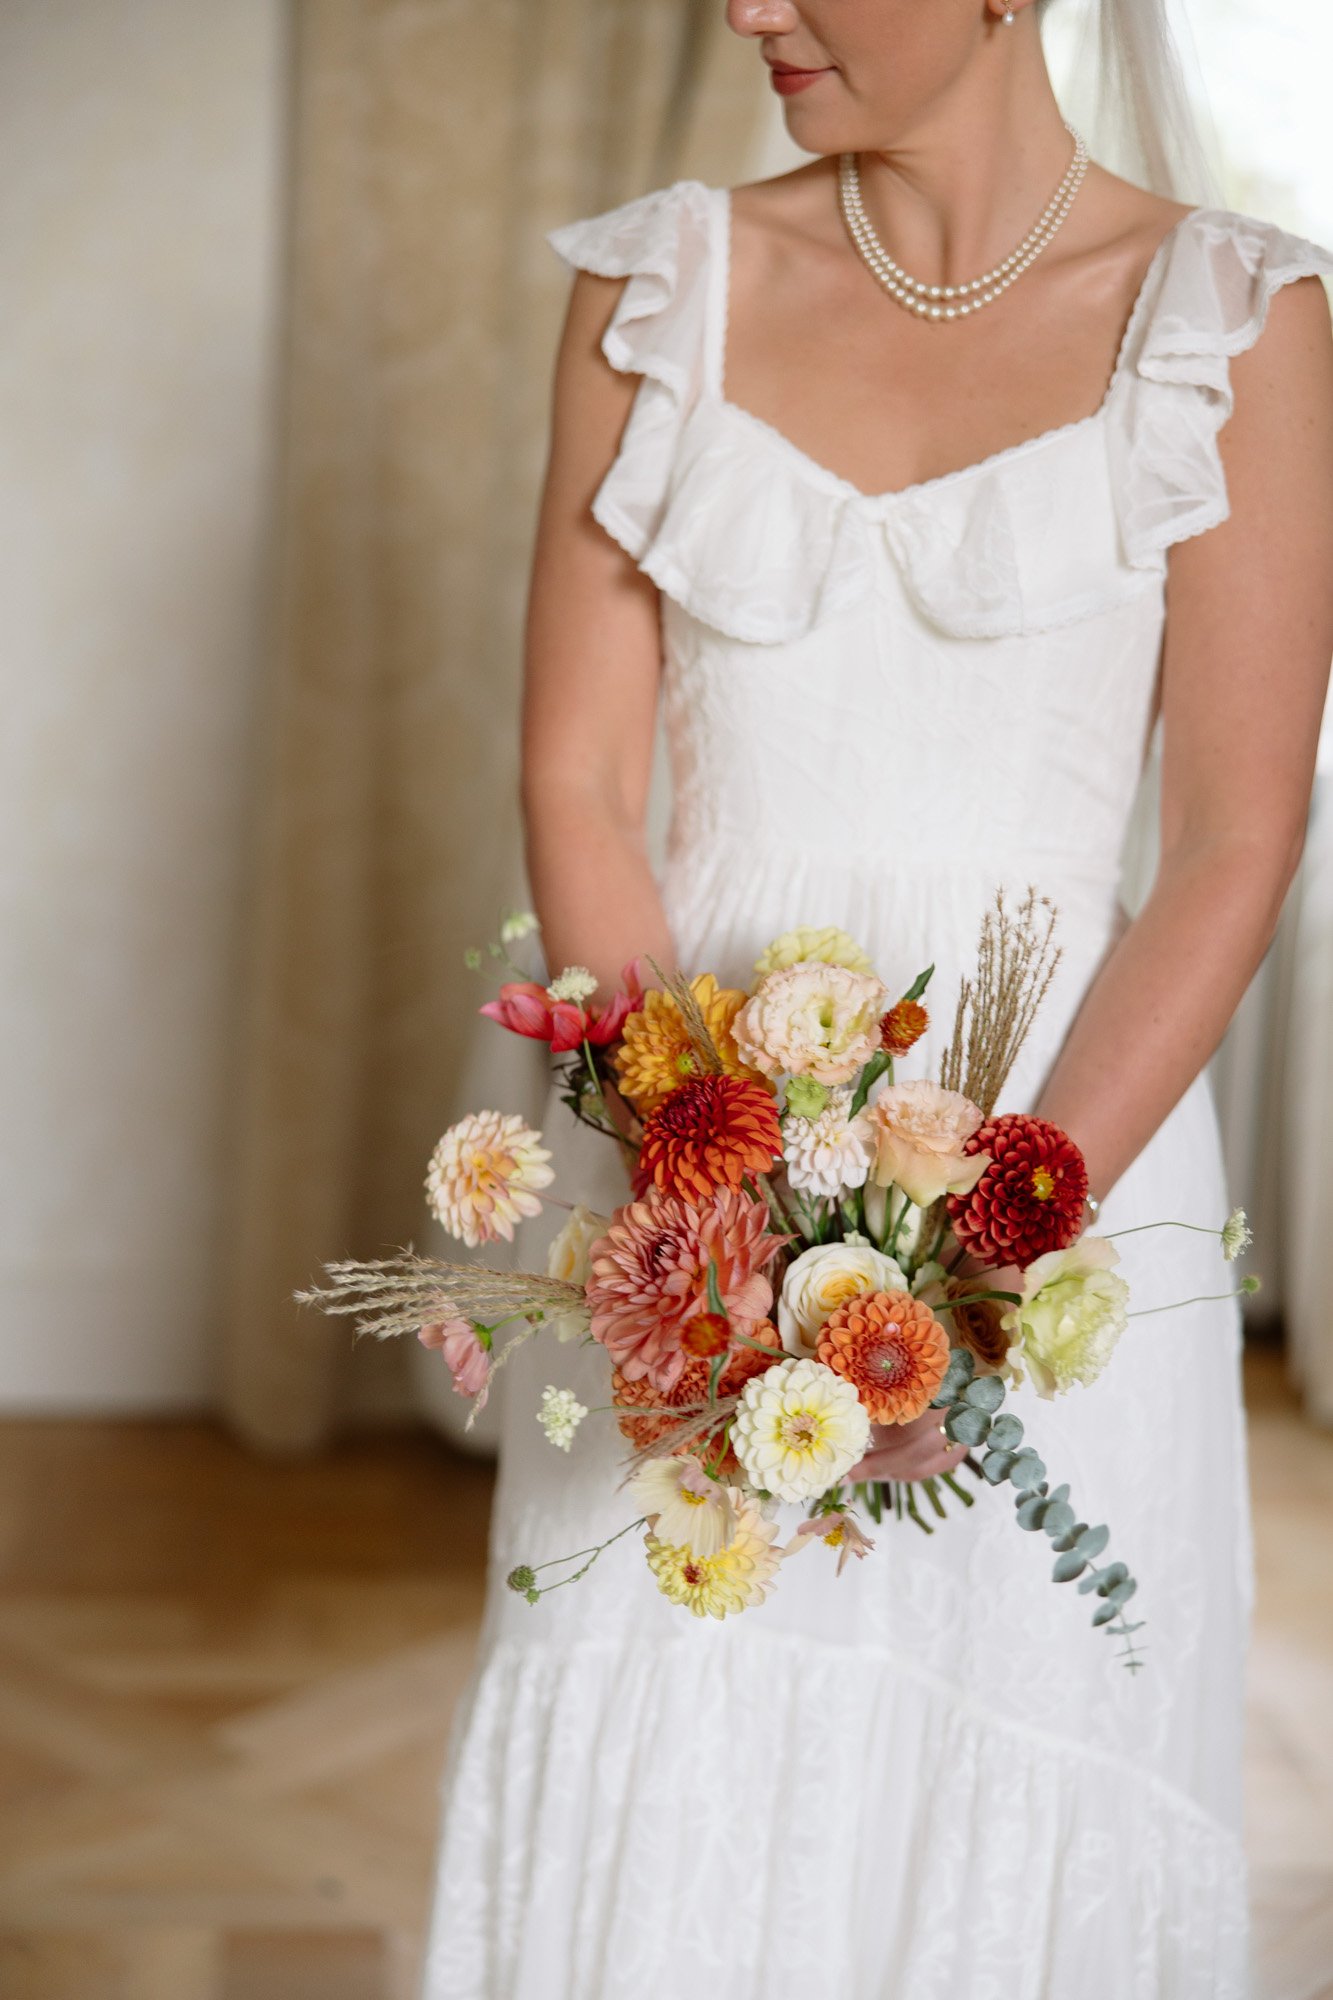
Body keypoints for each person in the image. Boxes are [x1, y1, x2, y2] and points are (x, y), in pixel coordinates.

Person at [419, 2, 1333, 1993]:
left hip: (1067, 1177)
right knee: (649, 1716)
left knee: (1009, 1770)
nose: (751, 7)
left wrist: (983, 1251)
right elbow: (576, 776)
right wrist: (701, 1200)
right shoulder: (653, 293)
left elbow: (1234, 844)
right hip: (687, 1166)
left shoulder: (1237, 324)